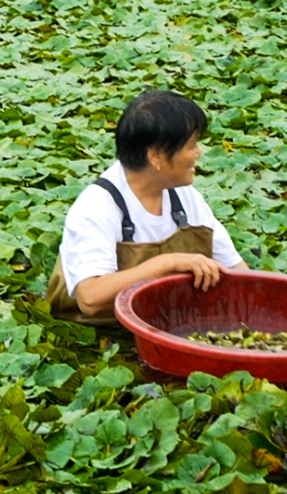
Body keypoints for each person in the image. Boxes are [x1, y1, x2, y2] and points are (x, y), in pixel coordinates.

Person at [46, 90, 247, 324]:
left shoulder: (185, 196)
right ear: (156, 157)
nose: (198, 153)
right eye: (191, 145)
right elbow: (90, 298)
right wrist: (168, 263)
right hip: (98, 333)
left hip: (163, 321)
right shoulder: (96, 206)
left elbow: (237, 270)